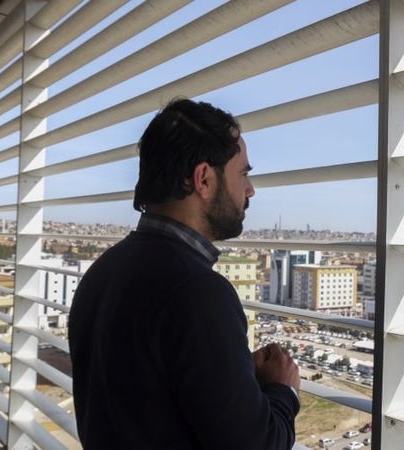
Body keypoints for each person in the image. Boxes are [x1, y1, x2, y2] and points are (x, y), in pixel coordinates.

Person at [68, 99, 301, 449]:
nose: (250, 190)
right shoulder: (198, 292)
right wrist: (282, 391)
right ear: (204, 179)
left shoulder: (104, 270)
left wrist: (234, 380)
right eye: (244, 174)